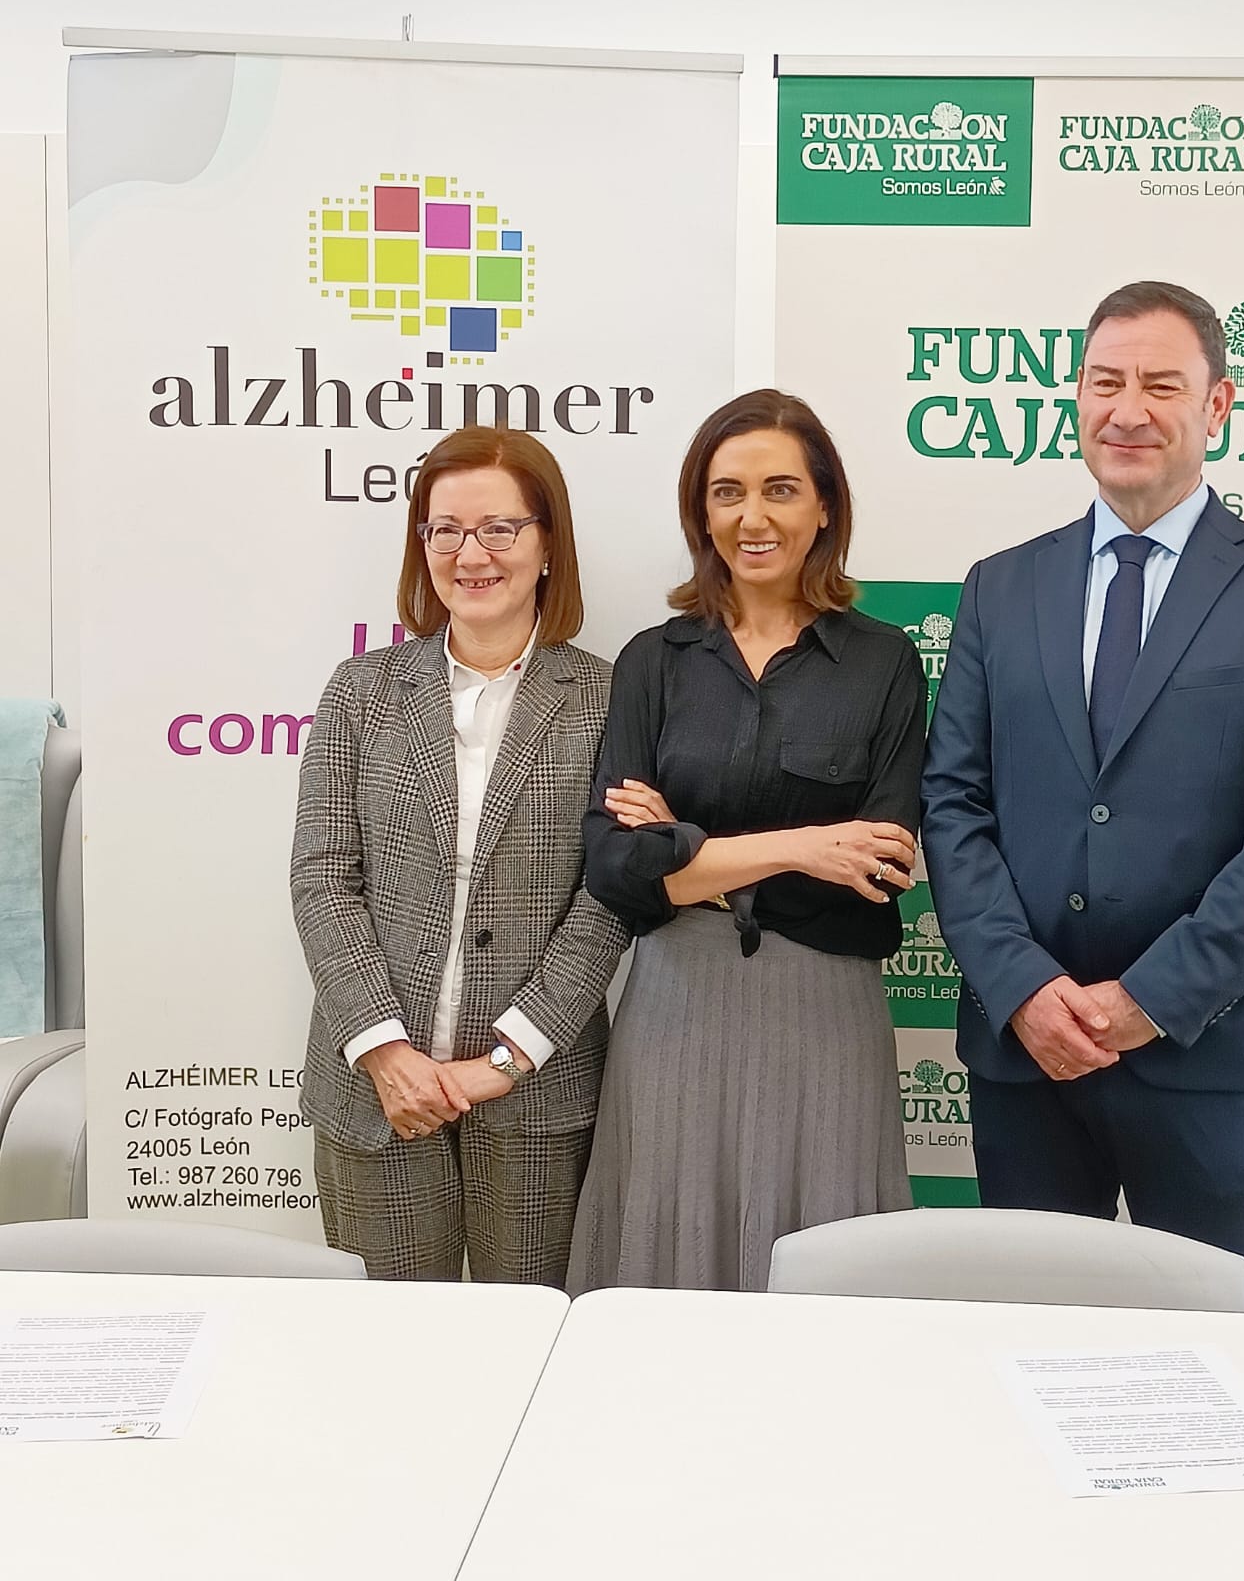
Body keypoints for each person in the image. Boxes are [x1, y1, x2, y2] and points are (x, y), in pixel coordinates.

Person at [921, 282, 1244, 1310]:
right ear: (1075, 397)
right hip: (1027, 1056)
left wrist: (1146, 1002)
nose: (1126, 409)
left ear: (1217, 407)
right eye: (1104, 381)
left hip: (1207, 1052)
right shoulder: (1000, 585)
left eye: (1160, 384)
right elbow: (954, 805)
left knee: (1208, 1365)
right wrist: (1024, 991)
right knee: (1028, 1349)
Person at [569, 388, 927, 1293]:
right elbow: (618, 867)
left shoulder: (884, 661)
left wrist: (685, 849)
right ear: (701, 511)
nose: (751, 516)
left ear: (825, 509)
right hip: (675, 1014)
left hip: (825, 1017)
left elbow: (879, 865)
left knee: (824, 1278)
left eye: (779, 490)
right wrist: (806, 846)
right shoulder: (655, 660)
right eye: (726, 493)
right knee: (663, 1274)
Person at [291, 425, 627, 1282]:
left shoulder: (610, 700)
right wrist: (385, 1052)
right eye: (444, 529)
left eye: (499, 529)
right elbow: (323, 879)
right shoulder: (362, 692)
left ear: (547, 543)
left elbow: (608, 899)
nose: (469, 553)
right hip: (377, 1093)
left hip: (538, 1100)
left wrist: (506, 1061)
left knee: (529, 1349)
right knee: (393, 1359)